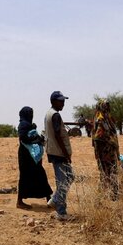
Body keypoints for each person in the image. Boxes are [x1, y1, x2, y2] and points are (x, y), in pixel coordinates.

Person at [43, 91, 74, 221]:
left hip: (55, 152)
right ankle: (61, 212)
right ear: (54, 101)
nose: (63, 103)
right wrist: (65, 153)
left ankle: (55, 200)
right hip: (59, 153)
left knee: (70, 177)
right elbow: (57, 135)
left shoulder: (49, 114)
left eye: (63, 101)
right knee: (62, 182)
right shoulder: (55, 115)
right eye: (60, 101)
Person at [16, 106, 52, 210]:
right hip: (26, 155)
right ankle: (19, 202)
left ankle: (49, 199)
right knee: (25, 177)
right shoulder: (23, 125)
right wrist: (36, 139)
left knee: (40, 174)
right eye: (30, 114)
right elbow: (24, 138)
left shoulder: (28, 124)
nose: (31, 115)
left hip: (31, 155)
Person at [91, 98, 123, 199]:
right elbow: (98, 137)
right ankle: (109, 195)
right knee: (108, 173)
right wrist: (110, 141)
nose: (108, 107)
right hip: (105, 153)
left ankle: (111, 194)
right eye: (106, 106)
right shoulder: (100, 119)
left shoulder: (107, 118)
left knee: (111, 172)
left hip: (110, 152)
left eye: (108, 106)